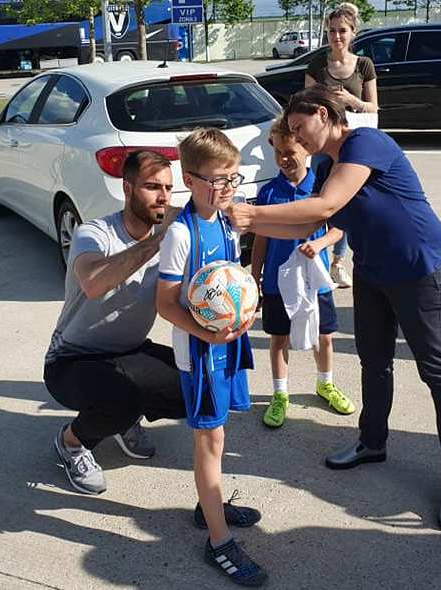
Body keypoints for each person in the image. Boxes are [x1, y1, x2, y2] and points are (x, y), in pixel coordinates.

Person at [225, 86, 441, 532]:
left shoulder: (365, 142)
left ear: (323, 114)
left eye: (300, 126)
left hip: (418, 268)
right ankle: (371, 442)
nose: (298, 136)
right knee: (373, 362)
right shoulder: (324, 164)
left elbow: (329, 203)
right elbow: (311, 221)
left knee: (438, 371)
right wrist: (252, 226)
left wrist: (253, 216)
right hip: (372, 271)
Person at [156, 128, 266, 587]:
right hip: (199, 353)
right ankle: (218, 542)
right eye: (217, 179)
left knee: (219, 432)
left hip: (224, 342)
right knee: (210, 439)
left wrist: (247, 306)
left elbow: (229, 283)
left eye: (231, 178)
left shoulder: (225, 222)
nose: (226, 187)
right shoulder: (180, 235)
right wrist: (207, 333)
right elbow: (165, 303)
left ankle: (210, 508)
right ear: (189, 179)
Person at [44, 150, 187, 496]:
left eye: (168, 188)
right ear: (127, 188)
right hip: (72, 360)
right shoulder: (94, 233)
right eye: (152, 187)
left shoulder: (174, 237)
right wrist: (158, 241)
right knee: (123, 396)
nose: (163, 197)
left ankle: (123, 419)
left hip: (129, 351)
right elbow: (93, 282)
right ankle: (72, 443)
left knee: (194, 383)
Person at [251, 115, 355, 430]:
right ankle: (280, 394)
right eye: (277, 152)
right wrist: (255, 278)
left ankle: (325, 384)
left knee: (323, 337)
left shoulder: (322, 188)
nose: (284, 159)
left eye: (290, 152)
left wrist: (320, 243)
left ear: (306, 148)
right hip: (277, 283)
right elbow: (260, 239)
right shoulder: (269, 192)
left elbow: (338, 228)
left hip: (315, 282)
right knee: (278, 338)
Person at [305, 2, 378, 289]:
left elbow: (373, 108)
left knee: (347, 202)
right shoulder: (317, 65)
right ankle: (317, 259)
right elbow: (306, 103)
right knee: (320, 199)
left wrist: (351, 100)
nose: (337, 36)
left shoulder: (363, 65)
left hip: (353, 145)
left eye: (342, 31)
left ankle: (338, 261)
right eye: (332, 31)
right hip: (324, 145)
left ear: (353, 33)